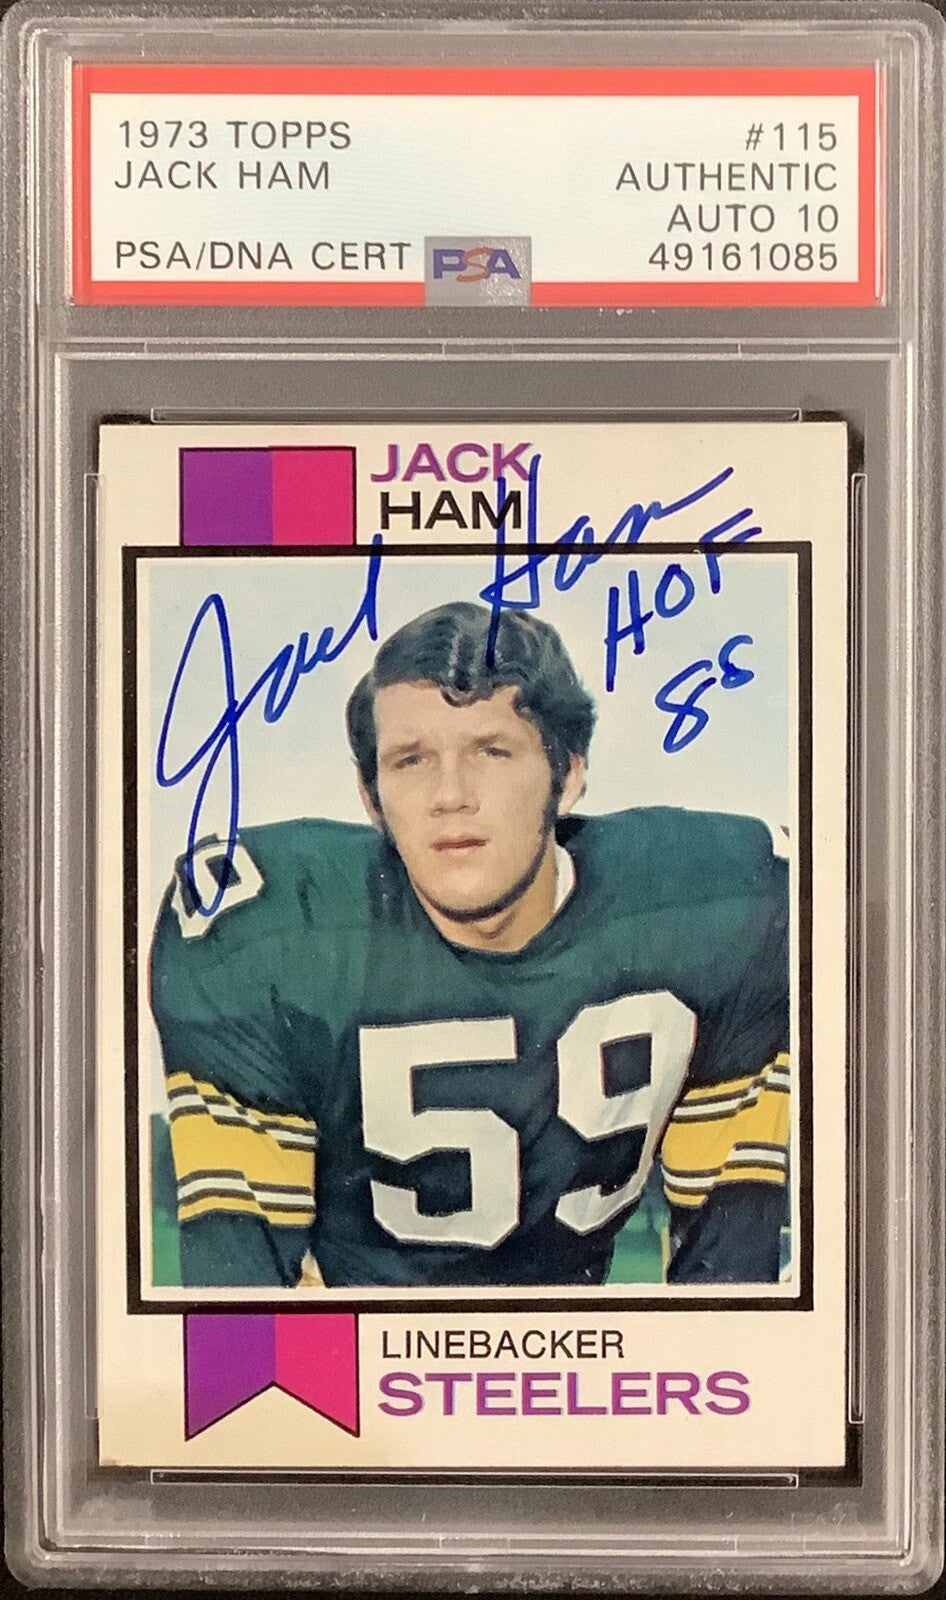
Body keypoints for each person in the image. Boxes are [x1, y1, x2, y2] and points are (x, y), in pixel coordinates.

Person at [150, 601, 790, 1289]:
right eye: (411, 760)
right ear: (372, 797)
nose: (450, 795)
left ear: (568, 775)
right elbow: (237, 1310)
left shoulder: (726, 905)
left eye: (492, 751)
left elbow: (732, 1283)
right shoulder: (266, 934)